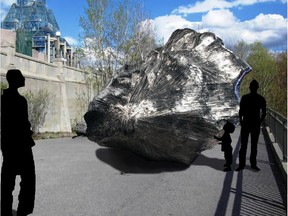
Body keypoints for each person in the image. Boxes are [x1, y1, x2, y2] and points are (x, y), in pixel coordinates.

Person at [1, 69, 36, 216]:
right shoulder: (20, 101)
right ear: (15, 80)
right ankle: (23, 211)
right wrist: (28, 132)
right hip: (21, 145)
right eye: (21, 76)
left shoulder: (3, 99)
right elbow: (21, 123)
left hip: (8, 144)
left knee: (7, 182)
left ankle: (5, 212)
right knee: (28, 180)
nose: (24, 78)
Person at [236, 79, 266, 171]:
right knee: (254, 145)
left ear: (250, 88)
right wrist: (260, 122)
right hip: (255, 124)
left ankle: (242, 165)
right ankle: (253, 164)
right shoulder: (261, 99)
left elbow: (240, 111)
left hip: (246, 123)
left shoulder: (245, 98)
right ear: (257, 88)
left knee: (243, 145)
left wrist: (241, 121)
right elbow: (264, 113)